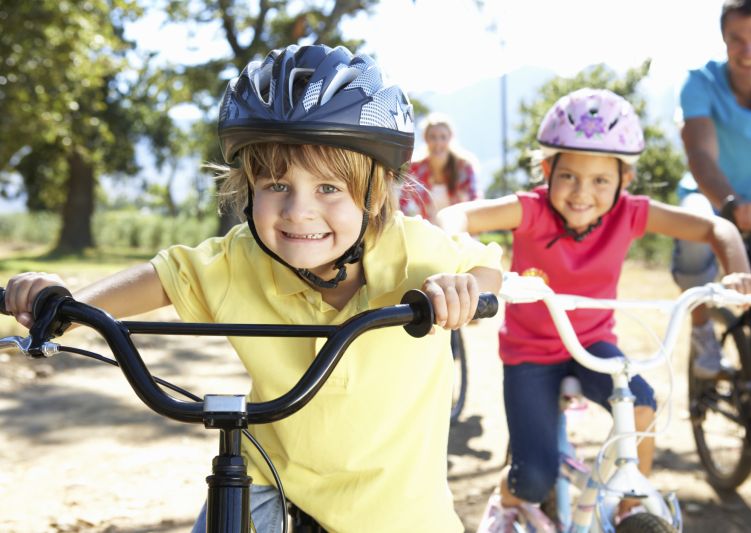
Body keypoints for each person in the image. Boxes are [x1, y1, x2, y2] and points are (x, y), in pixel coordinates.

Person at [2, 44, 503, 533]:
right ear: (248, 190)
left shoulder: (417, 250)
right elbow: (164, 275)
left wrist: (461, 289)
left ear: (374, 194)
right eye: (276, 186)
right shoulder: (241, 257)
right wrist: (62, 303)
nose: (298, 211)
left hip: (396, 510)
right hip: (271, 480)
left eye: (329, 188)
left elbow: (486, 270)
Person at [436, 88, 751, 532]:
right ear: (547, 170)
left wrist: (736, 271)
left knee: (642, 401)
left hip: (592, 343)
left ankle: (631, 499)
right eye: (568, 176)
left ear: (624, 181)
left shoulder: (629, 214)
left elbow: (714, 227)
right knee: (531, 479)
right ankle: (508, 497)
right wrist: (462, 258)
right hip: (530, 354)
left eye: (601, 180)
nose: (582, 193)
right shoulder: (530, 210)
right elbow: (456, 216)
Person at [670, 0, 751, 453]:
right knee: (694, 235)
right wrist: (730, 203)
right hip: (712, 199)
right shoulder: (700, 82)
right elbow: (701, 155)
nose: (749, 50)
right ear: (724, 37)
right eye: (737, 39)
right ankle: (704, 334)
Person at [400, 112, 480, 221]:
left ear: (450, 138)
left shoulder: (464, 167)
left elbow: (475, 202)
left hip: (459, 230)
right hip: (427, 232)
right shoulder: (415, 168)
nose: (438, 143)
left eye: (443, 137)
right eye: (432, 137)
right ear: (426, 139)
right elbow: (402, 202)